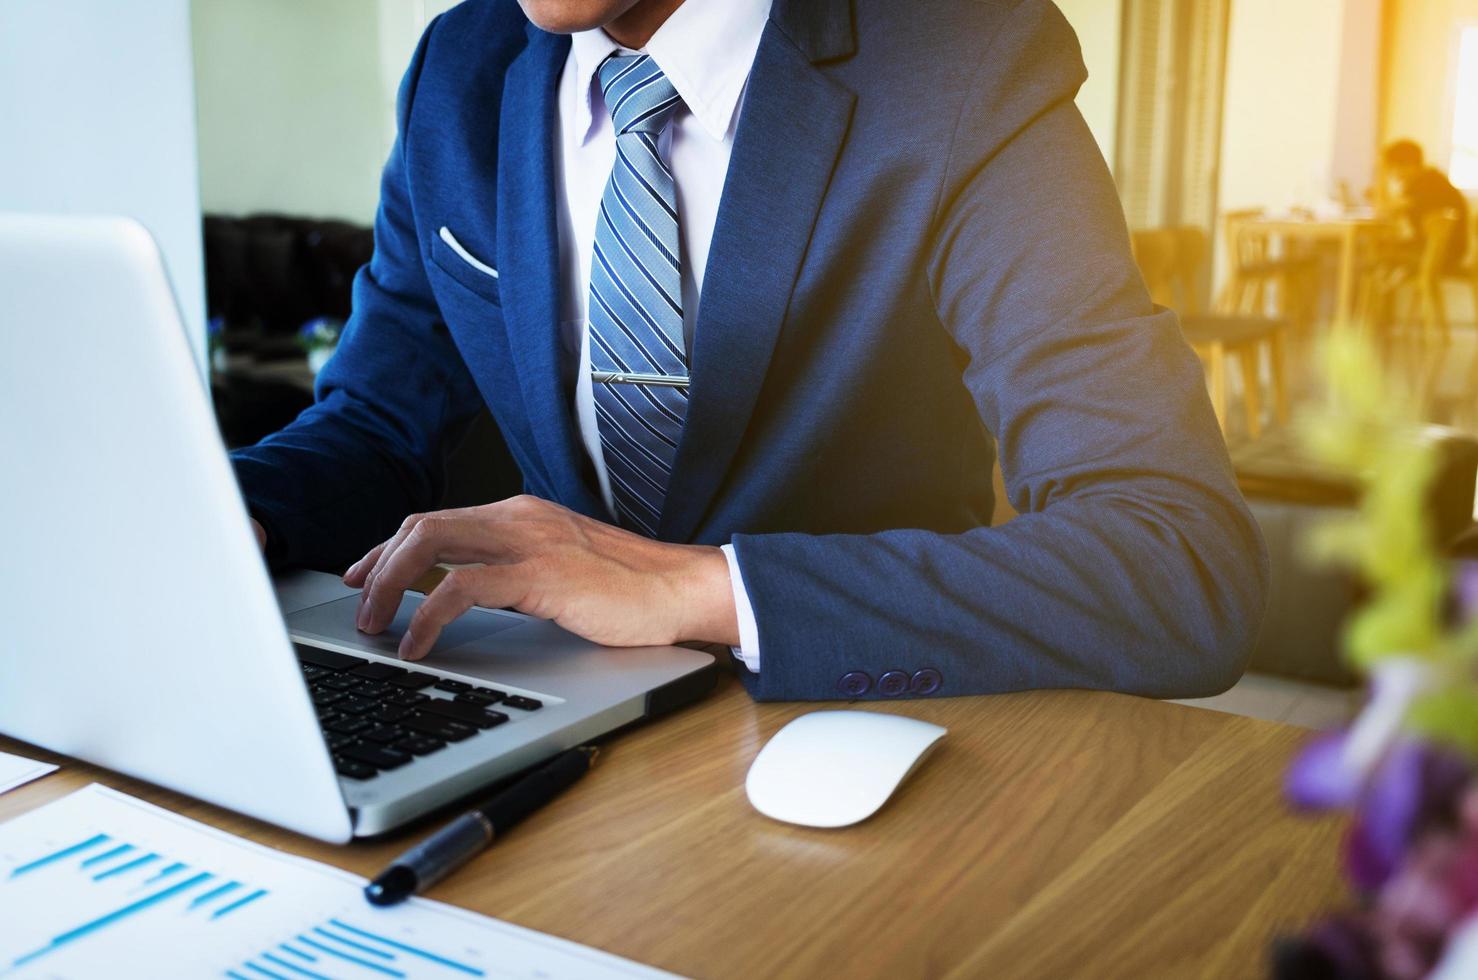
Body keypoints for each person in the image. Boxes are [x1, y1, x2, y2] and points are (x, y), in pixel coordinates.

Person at [232, 0, 1269, 702]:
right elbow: (373, 424)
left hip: (862, 738)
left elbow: (1174, 556)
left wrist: (689, 588)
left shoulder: (959, 57)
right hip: (543, 735)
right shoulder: (462, 67)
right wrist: (215, 512)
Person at [1377, 140, 1470, 272]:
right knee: (1388, 247)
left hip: (1442, 254)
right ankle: (1389, 288)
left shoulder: (1425, 184)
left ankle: (1377, 290)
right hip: (1448, 251)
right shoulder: (1433, 178)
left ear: (1408, 165)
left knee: (1378, 253)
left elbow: (1387, 210)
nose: (1394, 174)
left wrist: (1380, 176)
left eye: (1393, 167)